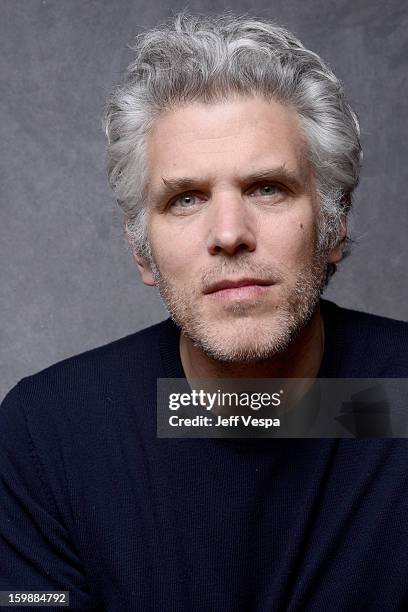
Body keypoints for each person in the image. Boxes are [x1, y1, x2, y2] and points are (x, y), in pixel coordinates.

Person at [1, 12, 408, 612]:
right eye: (185, 198)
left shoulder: (395, 400)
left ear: (334, 225)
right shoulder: (50, 436)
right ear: (143, 250)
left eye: (268, 187)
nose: (229, 233)